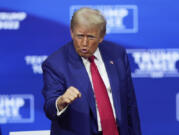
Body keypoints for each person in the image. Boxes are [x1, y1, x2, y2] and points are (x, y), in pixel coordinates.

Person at [42, 7, 141, 135]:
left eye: (90, 37)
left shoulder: (117, 54)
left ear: (101, 37)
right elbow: (50, 108)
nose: (84, 43)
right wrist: (61, 101)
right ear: (71, 32)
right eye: (79, 36)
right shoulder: (55, 63)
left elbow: (130, 104)